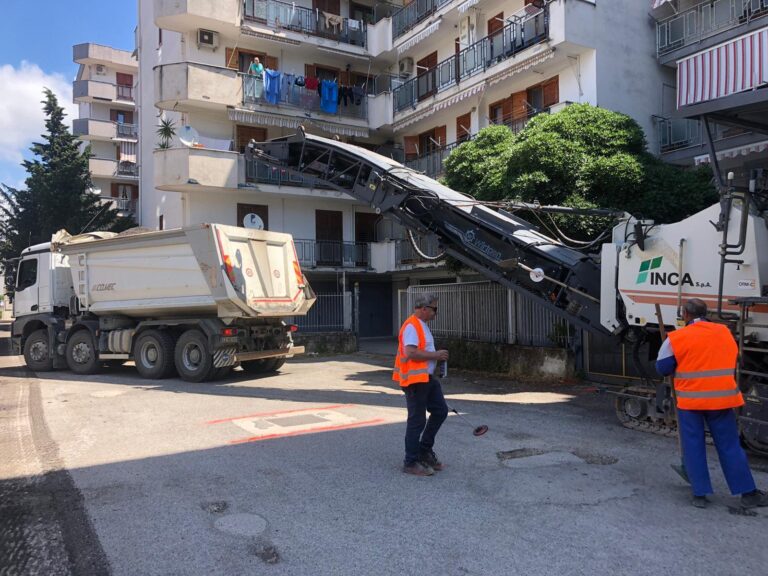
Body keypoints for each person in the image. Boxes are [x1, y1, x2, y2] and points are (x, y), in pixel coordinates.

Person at [656, 298, 768, 508]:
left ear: (685, 315)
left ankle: (700, 494)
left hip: (690, 404)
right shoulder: (724, 332)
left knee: (693, 446)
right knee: (730, 446)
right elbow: (735, 357)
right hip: (722, 401)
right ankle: (748, 493)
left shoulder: (676, 338)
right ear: (705, 313)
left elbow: (662, 368)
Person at [393, 293, 450, 476]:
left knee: (440, 411)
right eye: (434, 309)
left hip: (426, 379)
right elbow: (411, 353)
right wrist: (436, 356)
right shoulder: (411, 325)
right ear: (424, 308)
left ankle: (424, 451)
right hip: (415, 381)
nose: (436, 313)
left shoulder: (421, 325)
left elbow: (421, 351)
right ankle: (410, 462)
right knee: (416, 420)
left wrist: (436, 362)